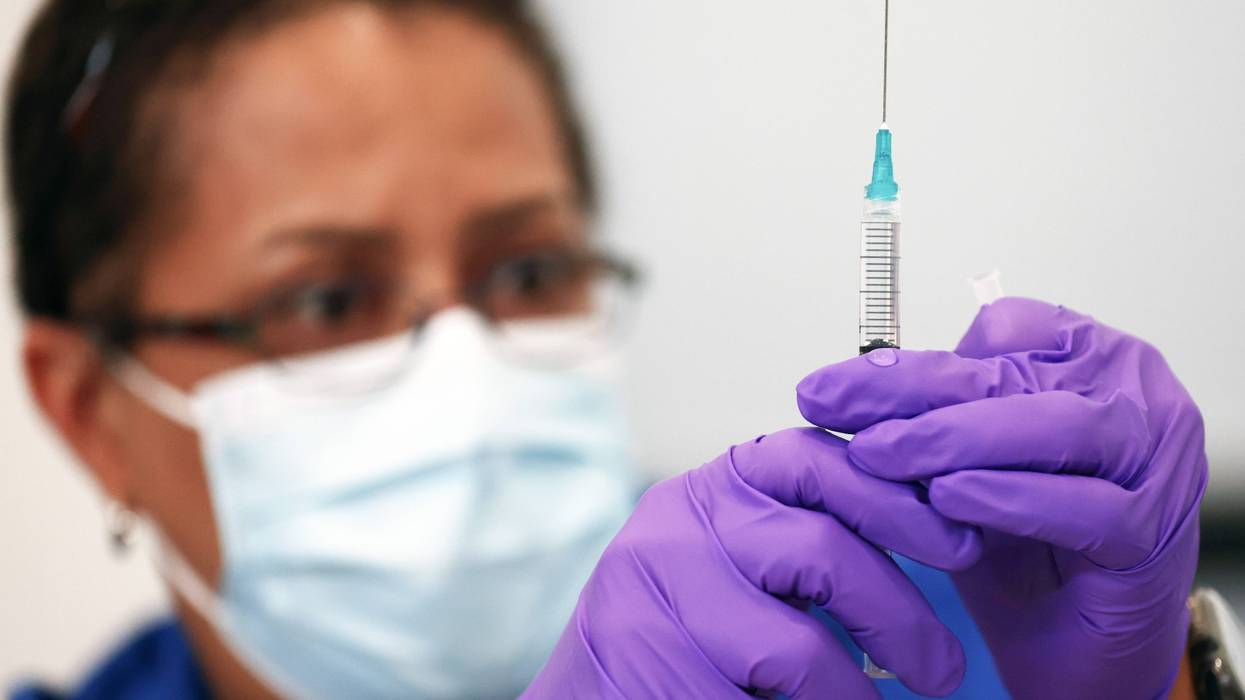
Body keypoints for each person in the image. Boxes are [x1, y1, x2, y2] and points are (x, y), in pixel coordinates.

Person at [5, 1, 1208, 699]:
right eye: (325, 300)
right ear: (85, 412)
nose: (463, 369)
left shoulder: (881, 641)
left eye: (527, 273)